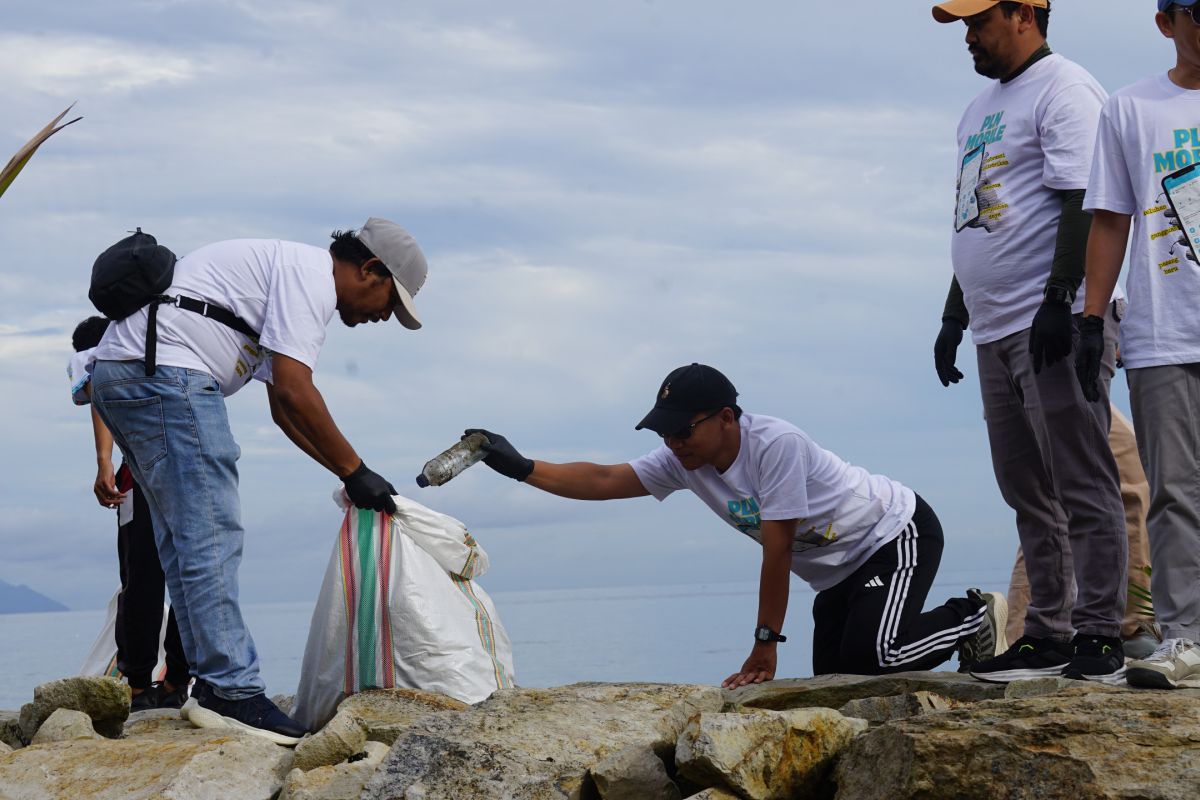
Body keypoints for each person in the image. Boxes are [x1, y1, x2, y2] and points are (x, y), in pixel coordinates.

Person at [89, 218, 427, 743]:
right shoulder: (310, 279)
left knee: (181, 543)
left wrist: (348, 474)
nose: (385, 315)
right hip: (167, 377)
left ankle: (209, 683)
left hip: (127, 373)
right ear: (370, 269)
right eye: (391, 300)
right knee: (210, 535)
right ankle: (232, 690)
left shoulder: (285, 273)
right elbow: (296, 389)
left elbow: (281, 408)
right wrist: (357, 469)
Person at [466, 363, 1007, 687]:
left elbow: (777, 553)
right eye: (665, 433)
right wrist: (521, 467)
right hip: (836, 574)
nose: (674, 443)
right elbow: (607, 478)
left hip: (893, 535)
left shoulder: (776, 446)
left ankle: (974, 615)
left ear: (727, 417)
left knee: (878, 656)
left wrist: (766, 643)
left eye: (684, 430)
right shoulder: (684, 461)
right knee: (842, 686)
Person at [930, 0, 1129, 683]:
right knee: (1025, 489)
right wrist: (954, 316)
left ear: (1024, 14)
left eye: (977, 22)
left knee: (1081, 478)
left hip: (1052, 320)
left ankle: (1101, 630)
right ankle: (1048, 627)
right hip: (993, 327)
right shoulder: (978, 108)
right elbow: (977, 219)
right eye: (963, 25)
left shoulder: (1065, 87)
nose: (968, 37)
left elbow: (1086, 198)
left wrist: (1060, 300)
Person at [1074, 0, 1200, 689]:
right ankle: (1186, 638)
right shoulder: (1130, 108)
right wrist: (1093, 321)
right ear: (1168, 21)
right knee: (1174, 492)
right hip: (1162, 331)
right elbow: (1110, 216)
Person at [70, 316, 191, 710]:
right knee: (191, 574)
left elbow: (97, 390)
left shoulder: (102, 354)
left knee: (142, 578)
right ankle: (177, 680)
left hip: (139, 474)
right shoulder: (164, 346)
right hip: (188, 465)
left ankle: (140, 684)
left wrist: (103, 461)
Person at [1004, 406, 1158, 659]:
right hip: (1051, 377)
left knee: (1050, 505)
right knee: (1124, 469)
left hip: (1047, 377)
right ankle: (1131, 627)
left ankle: (1026, 637)